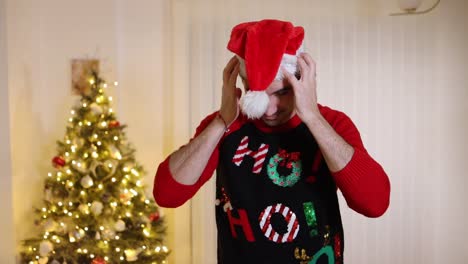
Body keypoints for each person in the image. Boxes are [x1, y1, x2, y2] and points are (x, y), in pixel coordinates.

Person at [153, 19, 390, 264]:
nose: (269, 110)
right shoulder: (224, 124)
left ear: (302, 82)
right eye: (257, 94)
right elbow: (167, 195)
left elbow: (375, 204)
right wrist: (221, 122)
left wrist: (312, 117)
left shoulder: (333, 124)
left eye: (282, 92)